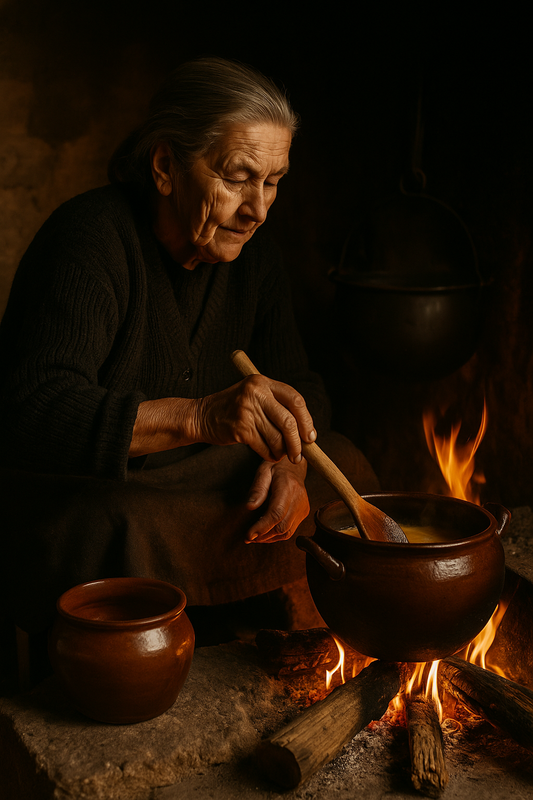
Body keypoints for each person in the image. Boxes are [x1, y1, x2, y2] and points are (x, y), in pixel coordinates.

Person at [0, 57, 379, 636]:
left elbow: (303, 386)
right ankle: (154, 641)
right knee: (114, 525)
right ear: (164, 166)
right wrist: (202, 415)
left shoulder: (254, 258)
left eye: (272, 182)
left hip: (191, 482)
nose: (257, 210)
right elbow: (30, 409)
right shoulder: (90, 241)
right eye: (236, 176)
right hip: (96, 489)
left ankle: (257, 626)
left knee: (341, 465)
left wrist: (290, 461)